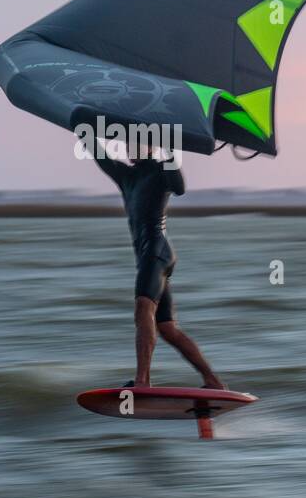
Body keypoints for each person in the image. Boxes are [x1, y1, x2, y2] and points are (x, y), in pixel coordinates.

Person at [90, 132, 225, 389]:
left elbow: (180, 188)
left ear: (151, 147)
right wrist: (82, 127)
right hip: (148, 257)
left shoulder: (162, 169)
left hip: (156, 252)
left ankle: (142, 381)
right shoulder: (125, 176)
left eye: (138, 142)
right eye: (128, 143)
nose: (131, 148)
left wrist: (169, 150)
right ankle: (213, 381)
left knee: (143, 308)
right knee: (167, 328)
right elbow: (100, 155)